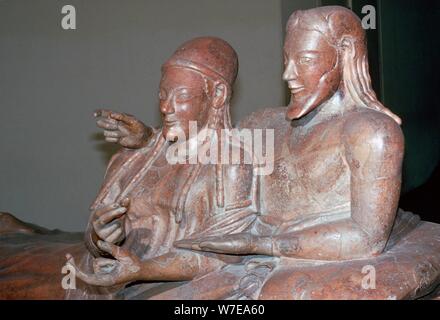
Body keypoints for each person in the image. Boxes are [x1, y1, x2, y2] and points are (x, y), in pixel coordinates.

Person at [66, 37, 258, 299]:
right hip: (109, 285)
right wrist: (102, 236)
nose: (166, 107)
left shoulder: (232, 163)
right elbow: (94, 234)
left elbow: (225, 258)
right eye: (162, 94)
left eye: (182, 96)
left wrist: (142, 270)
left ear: (217, 95)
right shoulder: (134, 157)